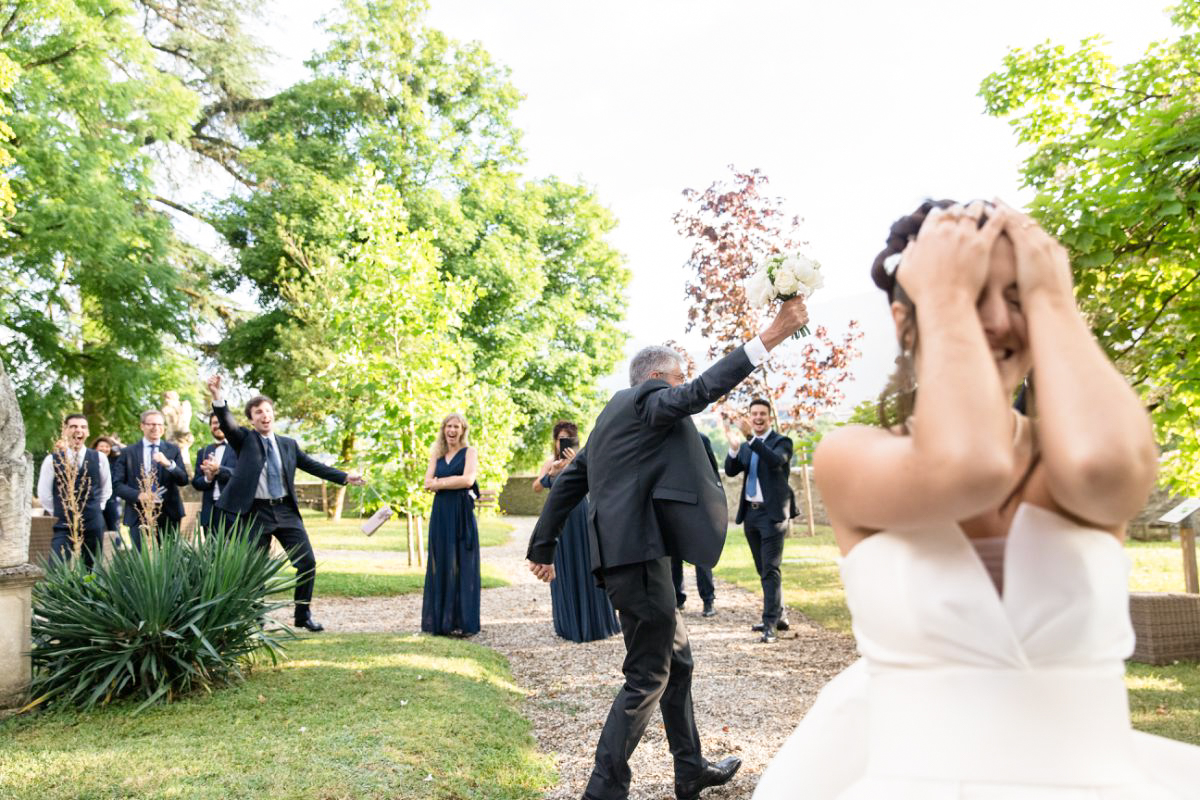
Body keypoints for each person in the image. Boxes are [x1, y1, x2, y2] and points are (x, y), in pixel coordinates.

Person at [754, 199, 1200, 798]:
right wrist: (938, 304)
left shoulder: (1078, 453)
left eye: (1016, 296)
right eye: (966, 294)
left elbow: (1104, 468)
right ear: (907, 319)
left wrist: (1052, 298)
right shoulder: (851, 455)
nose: (995, 321)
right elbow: (969, 465)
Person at [527, 296, 809, 800]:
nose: (680, 390)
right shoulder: (648, 400)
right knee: (647, 676)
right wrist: (771, 335)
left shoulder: (611, 417)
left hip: (638, 561)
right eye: (677, 380)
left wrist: (542, 545)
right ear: (658, 377)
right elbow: (700, 392)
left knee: (678, 664)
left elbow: (571, 483)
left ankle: (690, 769)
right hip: (637, 562)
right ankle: (603, 789)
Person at [205, 374, 366, 632]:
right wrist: (217, 396)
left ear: (273, 415)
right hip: (255, 512)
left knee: (307, 562)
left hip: (285, 510)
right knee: (253, 568)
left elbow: (313, 466)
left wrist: (345, 476)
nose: (265, 415)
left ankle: (302, 616)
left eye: (268, 411)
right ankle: (255, 617)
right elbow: (227, 422)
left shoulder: (288, 444)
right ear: (251, 419)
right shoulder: (245, 440)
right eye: (258, 412)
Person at [532, 421, 620, 643]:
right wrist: (549, 475)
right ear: (555, 441)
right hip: (560, 520)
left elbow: (598, 484)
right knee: (563, 567)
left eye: (568, 439)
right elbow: (536, 487)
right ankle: (568, 622)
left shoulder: (583, 460)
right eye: (560, 438)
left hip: (581, 516)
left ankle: (596, 621)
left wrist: (576, 465)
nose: (564, 443)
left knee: (588, 564)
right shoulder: (550, 463)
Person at [723, 398, 795, 643]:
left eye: (762, 413)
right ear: (750, 416)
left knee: (770, 569)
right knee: (763, 569)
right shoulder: (747, 446)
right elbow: (731, 470)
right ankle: (780, 615)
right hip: (751, 514)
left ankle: (770, 624)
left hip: (773, 514)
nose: (758, 418)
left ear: (769, 417)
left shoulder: (782, 442)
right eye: (754, 414)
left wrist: (750, 439)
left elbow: (776, 461)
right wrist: (734, 448)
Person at [421, 413, 482, 637]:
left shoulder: (470, 452)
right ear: (443, 429)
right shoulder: (436, 455)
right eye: (449, 426)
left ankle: (464, 622)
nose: (452, 430)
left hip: (461, 513)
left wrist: (440, 483)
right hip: (441, 513)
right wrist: (445, 483)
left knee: (463, 563)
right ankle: (442, 621)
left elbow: (468, 480)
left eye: (456, 426)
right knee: (442, 561)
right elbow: (427, 483)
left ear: (463, 430)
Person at [36, 414, 110, 568]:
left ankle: (88, 592)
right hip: (64, 523)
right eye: (74, 426)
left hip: (93, 522)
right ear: (65, 430)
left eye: (83, 427)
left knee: (91, 567)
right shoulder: (52, 460)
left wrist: (97, 508)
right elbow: (44, 494)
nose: (79, 430)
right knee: (56, 566)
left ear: (88, 432)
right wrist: (60, 511)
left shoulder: (100, 458)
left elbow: (106, 488)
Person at [111, 409, 189, 550]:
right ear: (142, 426)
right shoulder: (128, 452)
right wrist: (139, 495)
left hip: (168, 513)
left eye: (159, 424)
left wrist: (169, 464)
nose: (156, 428)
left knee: (169, 560)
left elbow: (183, 480)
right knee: (142, 561)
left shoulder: (173, 450)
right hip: (138, 513)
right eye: (151, 424)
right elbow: (117, 485)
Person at [672, 432, 721, 617]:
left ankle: (708, 600)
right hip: (672, 504)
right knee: (673, 556)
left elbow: (712, 472)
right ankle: (677, 599)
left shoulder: (702, 439)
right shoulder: (663, 437)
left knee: (702, 555)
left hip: (699, 504)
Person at [191, 411, 237, 531]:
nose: (218, 425)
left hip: (233, 510)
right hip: (210, 512)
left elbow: (241, 475)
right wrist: (208, 478)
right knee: (211, 549)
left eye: (222, 422)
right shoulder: (204, 451)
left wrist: (218, 471)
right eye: (215, 423)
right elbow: (196, 482)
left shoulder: (239, 448)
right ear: (211, 426)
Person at [90, 435, 122, 536]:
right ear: (96, 447)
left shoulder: (115, 460)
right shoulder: (90, 460)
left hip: (112, 500)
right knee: (97, 528)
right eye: (101, 446)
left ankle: (116, 549)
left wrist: (116, 443)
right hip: (94, 500)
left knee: (114, 527)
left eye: (107, 446)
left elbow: (127, 451)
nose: (104, 448)